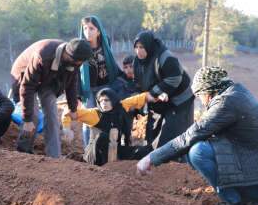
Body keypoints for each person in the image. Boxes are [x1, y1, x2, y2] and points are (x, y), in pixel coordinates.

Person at [136, 66, 258, 205]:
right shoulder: (237, 92)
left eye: (200, 94)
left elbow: (189, 136)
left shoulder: (226, 103)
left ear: (210, 90)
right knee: (205, 144)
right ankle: (244, 200)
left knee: (197, 152)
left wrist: (151, 158)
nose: (200, 99)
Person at [10, 38, 92, 158]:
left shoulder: (74, 60)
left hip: (48, 79)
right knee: (33, 117)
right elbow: (27, 86)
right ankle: (23, 152)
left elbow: (71, 84)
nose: (83, 64)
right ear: (70, 57)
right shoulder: (43, 56)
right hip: (24, 78)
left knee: (52, 115)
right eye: (81, 61)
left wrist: (73, 108)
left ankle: (54, 157)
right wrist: (27, 119)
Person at [133, 30, 194, 153]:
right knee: (152, 135)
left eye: (142, 47)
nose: (139, 51)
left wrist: (154, 92)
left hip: (179, 101)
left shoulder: (165, 56)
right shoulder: (137, 62)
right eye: (137, 47)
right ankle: (151, 161)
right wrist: (139, 100)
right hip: (158, 101)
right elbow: (137, 83)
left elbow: (175, 78)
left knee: (172, 136)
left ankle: (177, 165)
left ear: (149, 46)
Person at [62, 88, 154, 166]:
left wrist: (157, 95)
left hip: (114, 151)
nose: (103, 103)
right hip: (94, 157)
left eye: (106, 100)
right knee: (104, 137)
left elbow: (140, 98)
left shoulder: (121, 107)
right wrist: (66, 128)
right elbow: (69, 113)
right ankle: (109, 167)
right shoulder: (95, 114)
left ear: (113, 100)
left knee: (143, 150)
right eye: (101, 101)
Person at [79, 16, 122, 146]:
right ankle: (89, 150)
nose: (88, 32)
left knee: (108, 117)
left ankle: (108, 148)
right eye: (85, 28)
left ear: (99, 31)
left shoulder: (105, 42)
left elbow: (111, 63)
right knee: (88, 121)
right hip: (88, 89)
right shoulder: (80, 47)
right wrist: (77, 95)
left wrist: (125, 77)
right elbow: (76, 73)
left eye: (92, 28)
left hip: (105, 87)